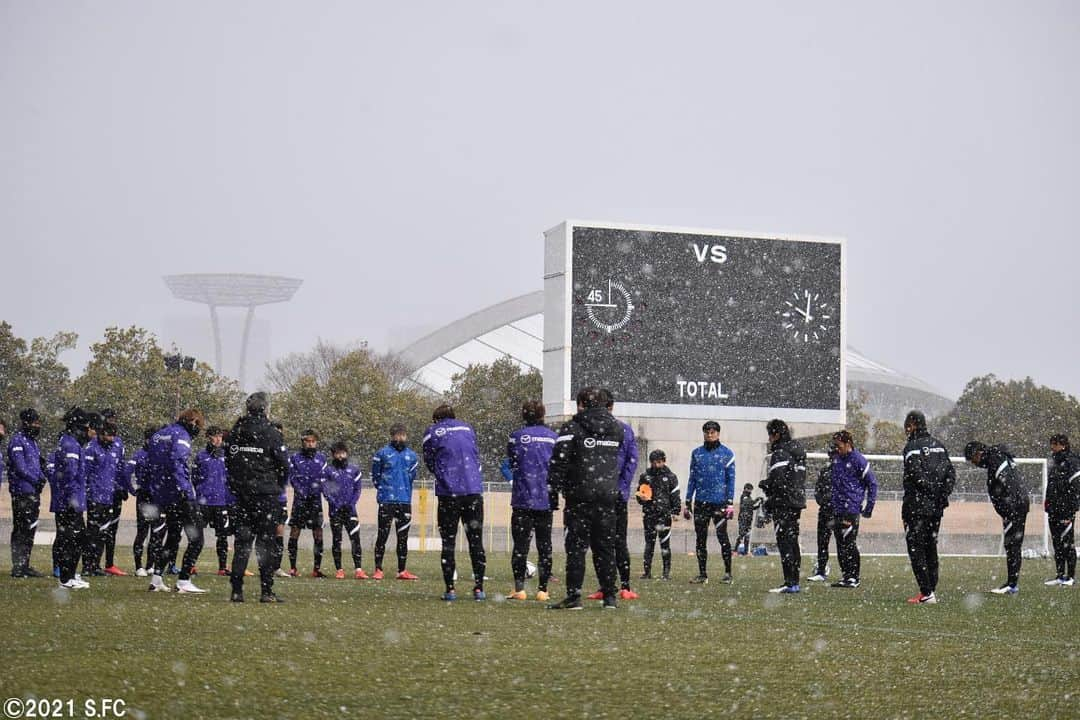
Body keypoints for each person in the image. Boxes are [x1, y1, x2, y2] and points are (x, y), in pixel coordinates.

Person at [547, 387, 628, 610]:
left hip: (579, 496)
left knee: (576, 548)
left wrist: (554, 492)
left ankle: (574, 596)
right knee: (605, 548)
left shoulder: (572, 428)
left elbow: (558, 462)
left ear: (582, 403)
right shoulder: (617, 429)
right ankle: (609, 596)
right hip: (607, 496)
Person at [226, 392, 290, 603]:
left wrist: (238, 485)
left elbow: (229, 461)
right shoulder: (272, 432)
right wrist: (276, 486)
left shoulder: (236, 431)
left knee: (242, 543)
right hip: (265, 496)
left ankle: (237, 590)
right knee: (266, 544)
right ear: (265, 409)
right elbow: (283, 464)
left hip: (242, 496)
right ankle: (266, 591)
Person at [422, 404, 487, 601]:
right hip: (473, 491)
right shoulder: (467, 428)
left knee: (448, 542)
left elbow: (429, 460)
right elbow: (474, 455)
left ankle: (450, 589)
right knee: (476, 541)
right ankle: (479, 589)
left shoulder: (432, 432)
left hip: (449, 493)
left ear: (436, 419)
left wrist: (444, 475)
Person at [145, 409, 206, 594]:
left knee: (172, 537)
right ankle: (184, 580)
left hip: (163, 493)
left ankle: (156, 579)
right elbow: (177, 462)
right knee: (197, 539)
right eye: (199, 426)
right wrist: (186, 491)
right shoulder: (181, 435)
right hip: (179, 493)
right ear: (193, 421)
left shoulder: (158, 435)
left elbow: (152, 462)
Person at [505, 401, 558, 601]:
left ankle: (519, 589)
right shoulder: (554, 437)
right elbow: (557, 465)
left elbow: (512, 462)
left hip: (522, 499)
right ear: (543, 415)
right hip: (545, 499)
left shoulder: (516, 436)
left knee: (520, 546)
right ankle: (543, 591)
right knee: (545, 546)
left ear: (524, 415)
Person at [901, 410, 955, 605]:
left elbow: (915, 475)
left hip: (916, 506)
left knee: (916, 548)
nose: (905, 429)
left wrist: (929, 492)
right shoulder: (939, 446)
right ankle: (931, 588)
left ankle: (926, 592)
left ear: (913, 425)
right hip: (935, 508)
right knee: (931, 546)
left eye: (907, 425)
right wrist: (941, 495)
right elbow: (951, 474)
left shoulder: (911, 447)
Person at [591, 389, 640, 601]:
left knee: (613, 541)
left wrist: (621, 487)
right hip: (602, 494)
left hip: (610, 495)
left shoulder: (623, 430)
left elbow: (631, 460)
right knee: (602, 542)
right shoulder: (596, 429)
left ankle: (624, 585)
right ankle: (606, 585)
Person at [964, 440, 1030, 594]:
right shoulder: (997, 458)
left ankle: (1012, 584)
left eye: (972, 459)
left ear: (978, 453)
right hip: (1017, 505)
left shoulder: (995, 459)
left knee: (1012, 545)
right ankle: (1012, 583)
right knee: (1013, 545)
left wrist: (1008, 510)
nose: (973, 464)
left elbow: (1010, 484)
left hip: (1014, 507)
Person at [684, 420, 736, 584]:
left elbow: (731, 479)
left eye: (713, 431)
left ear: (718, 433)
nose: (710, 434)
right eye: (707, 431)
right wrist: (687, 500)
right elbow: (692, 477)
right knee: (700, 539)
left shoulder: (727, 453)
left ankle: (728, 573)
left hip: (719, 503)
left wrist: (729, 502)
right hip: (700, 502)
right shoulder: (696, 453)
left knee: (723, 537)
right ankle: (702, 574)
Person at [760, 419, 807, 594]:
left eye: (770, 435)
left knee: (785, 542)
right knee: (793, 540)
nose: (770, 439)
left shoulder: (780, 453)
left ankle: (790, 581)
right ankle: (794, 581)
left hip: (783, 502)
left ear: (776, 434)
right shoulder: (798, 451)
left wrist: (767, 487)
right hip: (796, 501)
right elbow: (797, 479)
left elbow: (778, 481)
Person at [828, 430, 877, 589]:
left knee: (849, 542)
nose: (836, 448)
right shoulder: (836, 460)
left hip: (851, 509)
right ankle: (846, 576)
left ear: (848, 443)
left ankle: (854, 577)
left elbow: (872, 483)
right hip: (837, 508)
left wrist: (869, 506)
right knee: (840, 543)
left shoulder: (858, 460)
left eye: (838, 445)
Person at [371, 424, 420, 581]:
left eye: (403, 435)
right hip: (386, 500)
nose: (400, 438)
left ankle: (402, 570)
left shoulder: (412, 456)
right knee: (382, 535)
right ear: (392, 436)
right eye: (397, 435)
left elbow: (411, 477)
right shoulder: (382, 453)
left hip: (404, 500)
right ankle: (378, 569)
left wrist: (402, 490)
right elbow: (375, 476)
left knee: (403, 537)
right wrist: (385, 490)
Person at [50, 407, 91, 590]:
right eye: (85, 427)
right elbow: (70, 475)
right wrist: (74, 501)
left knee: (76, 539)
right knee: (71, 540)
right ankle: (66, 580)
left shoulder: (69, 442)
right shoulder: (71, 445)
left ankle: (70, 576)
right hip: (68, 503)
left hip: (68, 501)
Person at [82, 418, 125, 576]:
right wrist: (88, 493)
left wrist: (120, 488)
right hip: (95, 497)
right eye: (108, 435)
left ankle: (96, 565)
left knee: (103, 533)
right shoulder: (91, 449)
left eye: (113, 436)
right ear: (100, 434)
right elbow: (85, 474)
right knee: (92, 533)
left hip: (108, 497)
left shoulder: (113, 448)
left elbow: (116, 472)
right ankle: (87, 566)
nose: (111, 439)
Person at [7, 409, 47, 577]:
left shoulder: (33, 442)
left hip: (33, 492)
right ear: (26, 423)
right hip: (22, 491)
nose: (37, 426)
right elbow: (20, 466)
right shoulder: (17, 441)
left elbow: (36, 465)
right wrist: (34, 479)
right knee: (21, 528)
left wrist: (41, 478)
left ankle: (25, 564)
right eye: (35, 423)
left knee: (30, 528)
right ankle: (18, 566)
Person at [193, 426, 236, 575]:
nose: (218, 439)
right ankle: (191, 565)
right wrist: (201, 492)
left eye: (220, 436)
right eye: (214, 436)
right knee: (197, 536)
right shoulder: (200, 456)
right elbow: (194, 478)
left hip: (221, 503)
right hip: (203, 503)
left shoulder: (227, 456)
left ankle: (222, 568)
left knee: (222, 537)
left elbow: (231, 479)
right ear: (208, 438)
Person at [287, 430, 327, 577]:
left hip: (316, 501)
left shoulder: (322, 458)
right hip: (300, 501)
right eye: (307, 441)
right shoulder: (295, 458)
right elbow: (292, 477)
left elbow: (325, 478)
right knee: (295, 531)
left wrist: (320, 489)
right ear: (303, 442)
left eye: (313, 441)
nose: (310, 444)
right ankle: (293, 568)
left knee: (318, 533)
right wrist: (301, 491)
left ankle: (316, 569)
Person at [323, 441, 366, 579]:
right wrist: (335, 504)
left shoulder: (354, 470)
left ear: (346, 453)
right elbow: (326, 490)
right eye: (337, 453)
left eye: (342, 453)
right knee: (337, 540)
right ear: (333, 454)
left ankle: (358, 569)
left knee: (355, 539)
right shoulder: (328, 471)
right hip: (335, 511)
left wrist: (351, 504)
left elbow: (357, 489)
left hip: (350, 511)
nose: (340, 456)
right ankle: (339, 570)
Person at [636, 449, 680, 580]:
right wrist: (641, 498)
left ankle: (666, 573)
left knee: (665, 544)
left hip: (664, 515)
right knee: (649, 544)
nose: (656, 465)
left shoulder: (671, 477)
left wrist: (676, 511)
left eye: (659, 462)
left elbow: (675, 495)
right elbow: (639, 494)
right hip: (649, 514)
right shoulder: (645, 476)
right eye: (654, 462)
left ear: (664, 461)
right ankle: (647, 572)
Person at [1044, 434, 1079, 586]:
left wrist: (1071, 510)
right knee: (1057, 543)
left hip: (1066, 511)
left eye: (1055, 444)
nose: (1052, 447)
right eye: (1051, 444)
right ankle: (1059, 575)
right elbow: (1052, 486)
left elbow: (1076, 487)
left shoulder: (1072, 462)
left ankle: (1070, 577)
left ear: (1063, 445)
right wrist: (1048, 504)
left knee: (1067, 543)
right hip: (1053, 509)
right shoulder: (1055, 462)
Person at [126, 427, 156, 577]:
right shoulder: (140, 454)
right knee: (144, 532)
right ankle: (139, 566)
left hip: (157, 497)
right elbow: (126, 472)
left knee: (156, 532)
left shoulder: (159, 454)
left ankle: (150, 565)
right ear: (146, 439)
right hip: (145, 496)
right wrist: (132, 490)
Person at [807, 446, 835, 583]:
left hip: (841, 512)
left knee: (845, 544)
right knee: (822, 543)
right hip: (825, 511)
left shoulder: (846, 471)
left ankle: (850, 574)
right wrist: (823, 501)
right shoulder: (824, 472)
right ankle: (821, 570)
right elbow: (817, 489)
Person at [734, 483, 762, 556]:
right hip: (743, 518)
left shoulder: (749, 497)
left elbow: (750, 507)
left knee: (747, 536)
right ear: (746, 489)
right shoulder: (744, 496)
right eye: (749, 489)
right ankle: (735, 551)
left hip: (748, 519)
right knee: (742, 534)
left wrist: (758, 506)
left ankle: (746, 552)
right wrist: (756, 500)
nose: (750, 491)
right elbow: (748, 503)